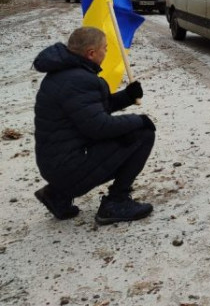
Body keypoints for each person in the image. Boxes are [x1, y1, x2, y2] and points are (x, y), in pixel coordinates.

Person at [32, 26, 156, 224]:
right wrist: (139, 120)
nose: (106, 52)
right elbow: (99, 127)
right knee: (143, 133)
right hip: (67, 167)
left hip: (56, 163)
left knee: (134, 130)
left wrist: (127, 97)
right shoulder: (78, 80)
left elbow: (92, 111)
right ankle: (115, 202)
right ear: (91, 53)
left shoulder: (66, 73)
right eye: (104, 49)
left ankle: (57, 195)